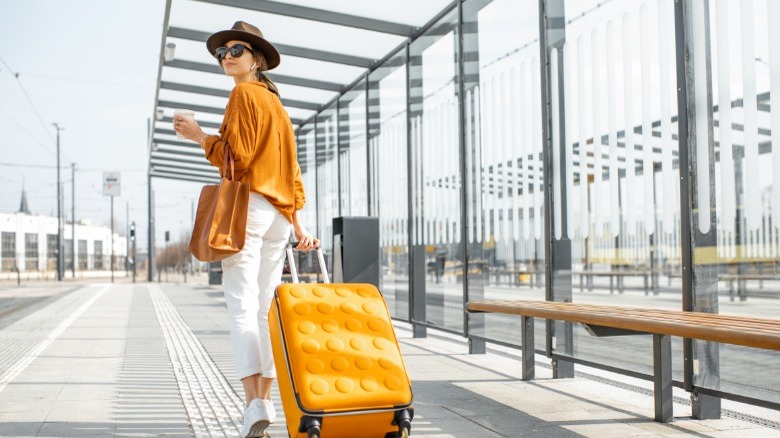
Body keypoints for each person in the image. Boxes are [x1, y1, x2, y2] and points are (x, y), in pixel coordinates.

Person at [173, 21, 319, 438]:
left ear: (256, 59)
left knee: (241, 306)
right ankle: (265, 402)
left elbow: (235, 159)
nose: (227, 57)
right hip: (277, 217)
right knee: (263, 309)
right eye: (222, 53)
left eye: (236, 50)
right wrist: (297, 223)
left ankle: (253, 404)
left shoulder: (243, 94)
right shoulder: (279, 107)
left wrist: (201, 136)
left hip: (250, 208)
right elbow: (292, 172)